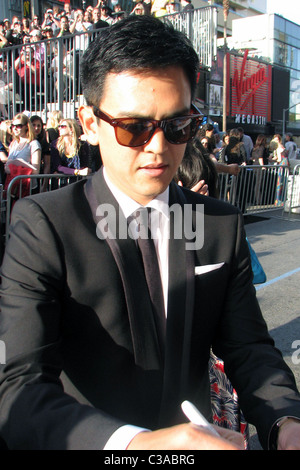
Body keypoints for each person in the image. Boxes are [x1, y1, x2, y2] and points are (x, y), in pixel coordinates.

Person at [1, 15, 300, 451]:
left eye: (178, 125)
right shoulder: (43, 226)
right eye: (134, 127)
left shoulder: (218, 223)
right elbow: (18, 387)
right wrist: (138, 445)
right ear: (90, 122)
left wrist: (285, 421)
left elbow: (249, 347)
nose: (158, 147)